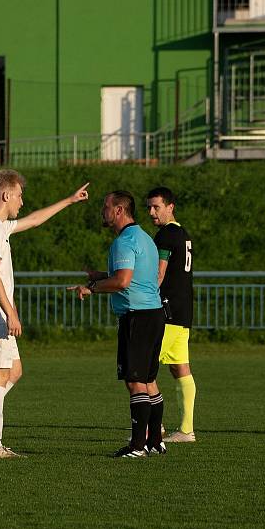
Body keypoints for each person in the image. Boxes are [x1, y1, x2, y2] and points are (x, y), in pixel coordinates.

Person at [0, 170, 89, 459]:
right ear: (6, 195)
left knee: (14, 371)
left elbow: (33, 220)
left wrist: (68, 200)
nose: (22, 200)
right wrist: (11, 313)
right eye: (19, 195)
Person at [68, 190, 166, 458]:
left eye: (106, 206)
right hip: (153, 314)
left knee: (135, 382)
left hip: (138, 316)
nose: (103, 211)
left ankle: (137, 446)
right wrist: (100, 276)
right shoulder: (143, 237)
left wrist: (92, 288)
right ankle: (155, 441)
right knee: (148, 380)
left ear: (120, 210)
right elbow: (134, 276)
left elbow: (122, 281)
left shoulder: (123, 241)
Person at [146, 187, 196, 444]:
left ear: (170, 206)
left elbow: (159, 273)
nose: (152, 212)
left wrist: (143, 299)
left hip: (166, 311)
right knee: (180, 368)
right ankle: (186, 430)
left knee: (144, 369)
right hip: (183, 311)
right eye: (149, 207)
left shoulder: (165, 235)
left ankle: (152, 428)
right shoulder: (183, 233)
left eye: (156, 207)